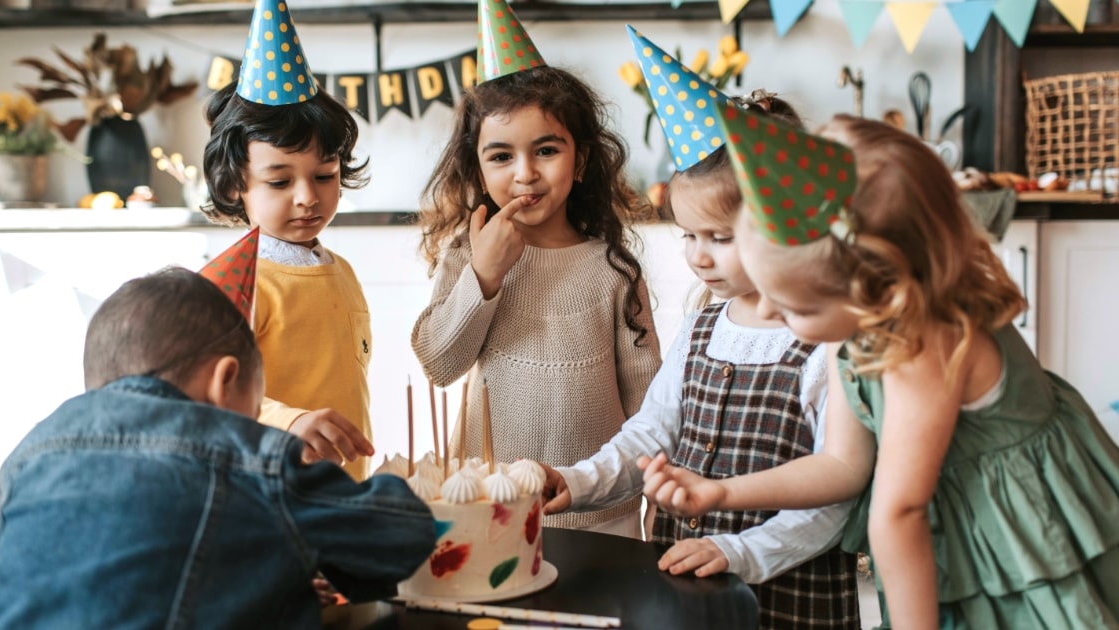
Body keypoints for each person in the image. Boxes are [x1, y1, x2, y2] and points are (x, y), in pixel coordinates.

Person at [640, 109, 1119, 628]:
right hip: (962, 528)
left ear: (876, 286)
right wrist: (725, 491)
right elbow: (843, 466)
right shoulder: (867, 321)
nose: (772, 315)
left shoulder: (922, 342)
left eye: (795, 306)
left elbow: (898, 515)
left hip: (1022, 537)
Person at [540, 28, 860, 630]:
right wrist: (578, 481)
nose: (698, 257)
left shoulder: (827, 341)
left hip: (789, 600)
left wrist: (739, 551)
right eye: (687, 234)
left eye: (720, 238)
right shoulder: (704, 324)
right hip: (685, 595)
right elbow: (653, 432)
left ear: (784, 222)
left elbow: (836, 494)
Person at [0, 266, 436, 629]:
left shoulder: (30, 454)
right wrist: (396, 485)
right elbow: (398, 540)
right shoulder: (248, 457)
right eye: (252, 413)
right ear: (224, 380)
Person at [411, 0, 661, 538]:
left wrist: (659, 486)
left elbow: (648, 399)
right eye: (501, 156)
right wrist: (485, 276)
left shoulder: (613, 268)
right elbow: (440, 364)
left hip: (602, 514)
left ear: (583, 159)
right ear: (476, 166)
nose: (525, 174)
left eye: (546, 150)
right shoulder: (467, 254)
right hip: (488, 504)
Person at [201, 0, 375, 480]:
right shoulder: (235, 280)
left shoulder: (342, 271)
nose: (307, 198)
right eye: (279, 182)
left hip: (344, 485)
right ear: (236, 184)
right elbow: (207, 396)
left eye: (325, 175)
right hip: (267, 487)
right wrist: (288, 420)